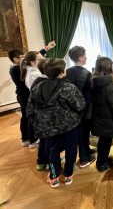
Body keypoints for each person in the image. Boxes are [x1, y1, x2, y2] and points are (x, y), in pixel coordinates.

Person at [27, 58, 85, 188]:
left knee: (52, 151)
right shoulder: (68, 87)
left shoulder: (36, 88)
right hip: (69, 126)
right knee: (71, 150)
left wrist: (41, 123)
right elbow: (80, 105)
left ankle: (54, 176)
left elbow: (30, 110)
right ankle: (68, 175)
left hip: (48, 128)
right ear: (61, 72)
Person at [8, 41, 55, 148]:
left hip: (26, 95)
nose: (24, 59)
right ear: (15, 59)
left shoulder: (22, 66)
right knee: (27, 118)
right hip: (24, 96)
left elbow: (33, 58)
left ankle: (28, 139)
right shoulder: (16, 68)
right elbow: (32, 59)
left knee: (27, 117)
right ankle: (29, 139)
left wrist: (46, 48)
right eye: (22, 57)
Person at [91, 57, 113, 172]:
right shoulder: (111, 84)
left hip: (98, 118)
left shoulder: (92, 81)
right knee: (105, 142)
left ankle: (102, 159)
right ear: (109, 68)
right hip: (109, 120)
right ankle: (102, 163)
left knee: (103, 141)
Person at [65, 46, 95, 168]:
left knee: (79, 133)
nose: (86, 57)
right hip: (83, 109)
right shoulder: (87, 74)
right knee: (83, 133)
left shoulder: (67, 72)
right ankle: (83, 158)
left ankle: (86, 151)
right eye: (85, 55)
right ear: (81, 58)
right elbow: (89, 94)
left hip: (71, 109)